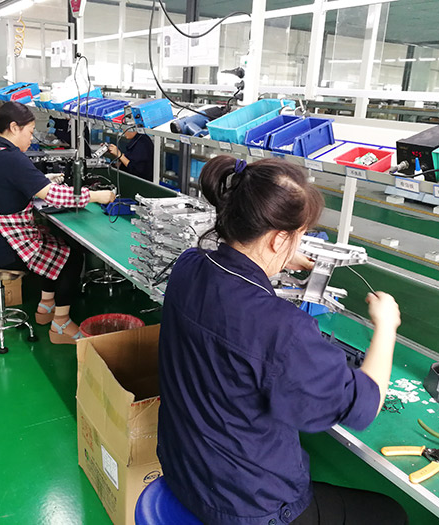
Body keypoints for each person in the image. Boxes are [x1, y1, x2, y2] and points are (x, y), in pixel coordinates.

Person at [157, 156, 407, 525]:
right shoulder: (283, 328)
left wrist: (275, 259)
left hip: (185, 472)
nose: (298, 244)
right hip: (248, 507)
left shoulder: (188, 266)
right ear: (277, 238)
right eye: (298, 236)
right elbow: (363, 405)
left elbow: (235, 297)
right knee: (390, 515)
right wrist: (387, 326)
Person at [0, 102, 115, 345]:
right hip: (3, 244)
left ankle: (46, 307)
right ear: (14, 127)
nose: (31, 139)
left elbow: (6, 186)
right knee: (71, 256)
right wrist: (95, 196)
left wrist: (41, 180)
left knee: (53, 243)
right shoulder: (10, 158)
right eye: (29, 132)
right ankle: (61, 324)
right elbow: (53, 196)